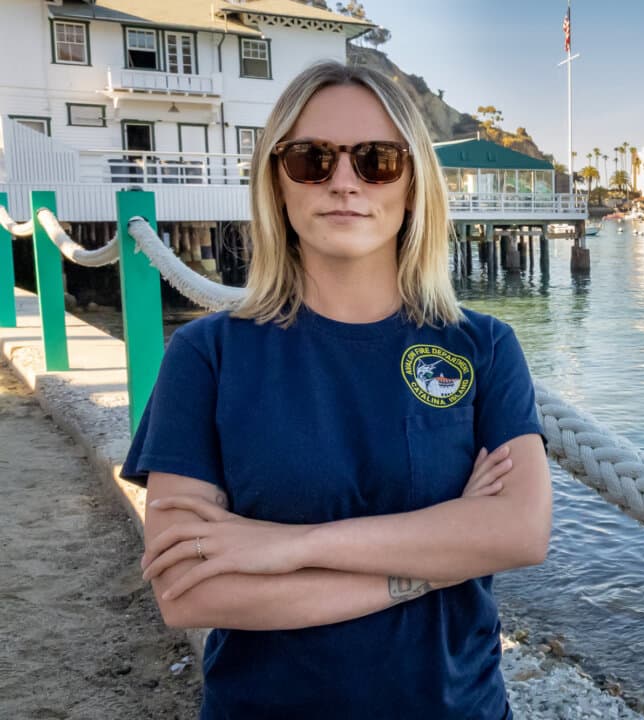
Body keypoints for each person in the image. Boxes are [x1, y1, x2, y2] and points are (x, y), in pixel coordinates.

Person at [122, 61, 552, 719]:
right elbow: (188, 590)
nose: (345, 182)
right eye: (312, 159)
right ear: (278, 183)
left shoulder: (484, 347)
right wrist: (430, 562)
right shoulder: (206, 355)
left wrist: (284, 548)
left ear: (412, 186)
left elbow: (520, 530)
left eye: (377, 160)